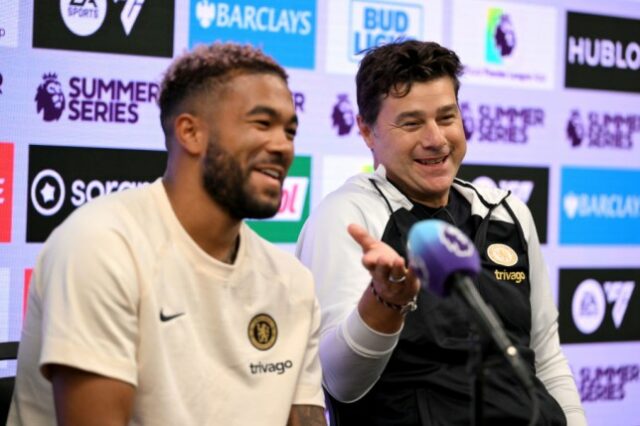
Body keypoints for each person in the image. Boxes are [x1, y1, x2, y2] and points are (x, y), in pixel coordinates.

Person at [9, 43, 326, 426]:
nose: (283, 146)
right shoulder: (101, 245)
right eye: (262, 124)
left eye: (289, 130)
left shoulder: (292, 282)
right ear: (190, 133)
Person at [296, 40, 586, 425]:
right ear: (366, 131)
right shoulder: (347, 216)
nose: (436, 139)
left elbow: (546, 358)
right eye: (412, 123)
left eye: (447, 117)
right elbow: (340, 382)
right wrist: (385, 304)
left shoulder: (507, 213)